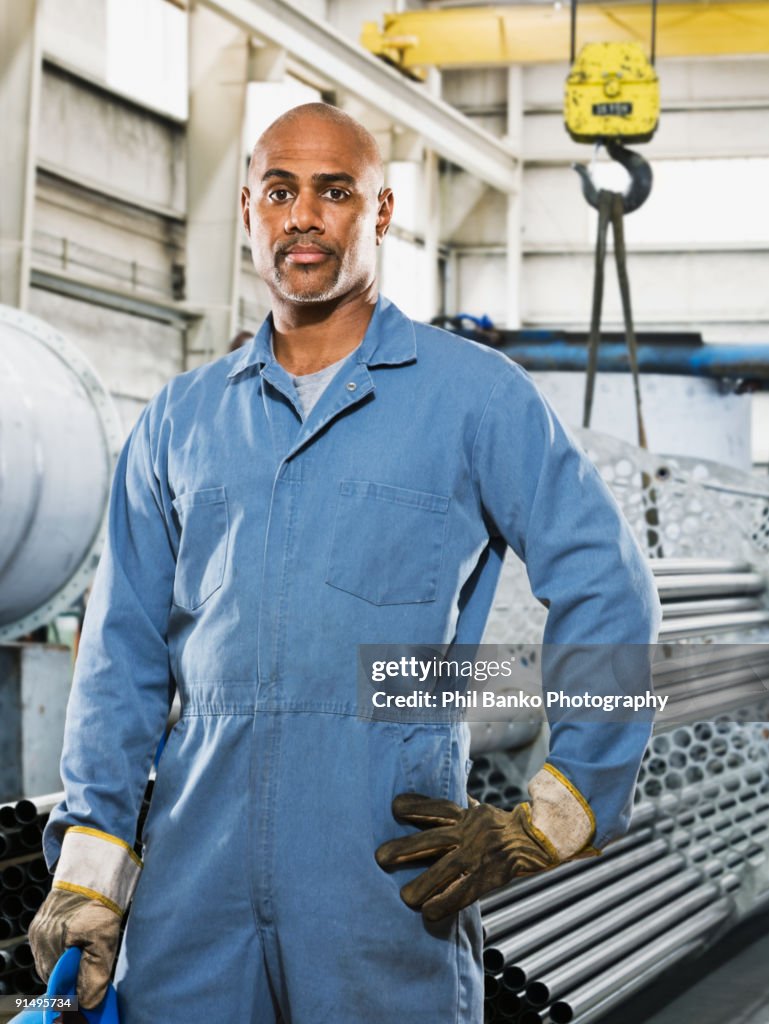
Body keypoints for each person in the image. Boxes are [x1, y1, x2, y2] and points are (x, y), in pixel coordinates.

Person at [29, 102, 660, 1023]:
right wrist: (91, 874)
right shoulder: (179, 422)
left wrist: (560, 812)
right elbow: (118, 658)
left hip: (385, 886)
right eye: (280, 192)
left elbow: (611, 592)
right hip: (192, 898)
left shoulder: (474, 399)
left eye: (335, 192)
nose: (304, 217)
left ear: (382, 213)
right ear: (247, 209)